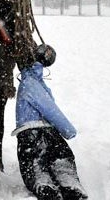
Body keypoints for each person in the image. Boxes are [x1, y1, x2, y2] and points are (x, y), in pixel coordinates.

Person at [11, 44, 88, 200]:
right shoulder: (31, 83)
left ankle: (48, 186)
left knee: (34, 165)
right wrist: (68, 130)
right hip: (41, 132)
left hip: (30, 134)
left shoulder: (30, 81)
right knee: (60, 159)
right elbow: (50, 109)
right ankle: (66, 185)